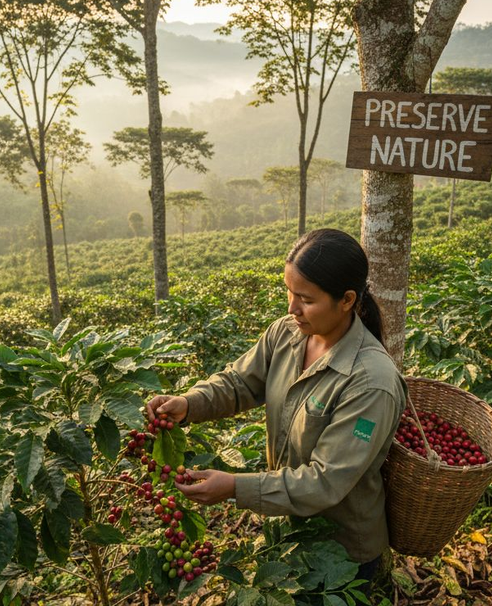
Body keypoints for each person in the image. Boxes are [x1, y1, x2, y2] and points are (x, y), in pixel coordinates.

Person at [145, 228, 406, 578]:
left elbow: (324, 481)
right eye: (290, 292)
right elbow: (240, 381)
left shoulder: (371, 382)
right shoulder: (287, 333)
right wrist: (189, 403)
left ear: (346, 300)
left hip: (343, 554)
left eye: (307, 300)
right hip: (289, 532)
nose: (292, 308)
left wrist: (236, 487)